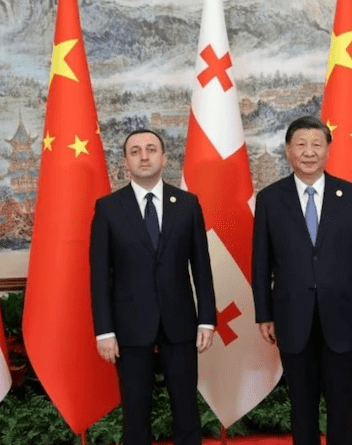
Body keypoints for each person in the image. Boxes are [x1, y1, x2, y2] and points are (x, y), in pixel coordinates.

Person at [252, 115, 352, 445]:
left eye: (316, 144)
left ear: (328, 149)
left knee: (342, 403)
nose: (308, 152)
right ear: (288, 150)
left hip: (343, 316)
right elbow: (260, 262)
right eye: (301, 144)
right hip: (292, 317)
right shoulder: (270, 200)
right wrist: (263, 314)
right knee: (302, 404)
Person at [90, 129, 216, 445]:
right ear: (125, 162)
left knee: (186, 406)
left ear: (164, 158)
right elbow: (99, 275)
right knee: (135, 408)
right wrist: (104, 331)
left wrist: (206, 319)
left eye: (150, 149)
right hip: (129, 324)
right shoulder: (108, 208)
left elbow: (201, 265)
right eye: (135, 151)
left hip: (181, 321)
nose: (144, 156)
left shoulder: (187, 204)